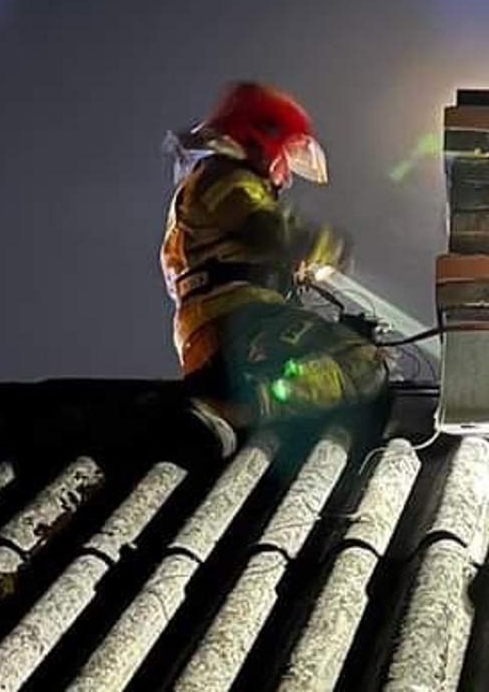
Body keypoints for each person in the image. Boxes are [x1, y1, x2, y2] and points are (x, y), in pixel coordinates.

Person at [160, 81, 387, 459]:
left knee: (318, 359)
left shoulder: (212, 182)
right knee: (361, 361)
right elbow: (268, 232)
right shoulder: (225, 178)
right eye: (286, 154)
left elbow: (247, 246)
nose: (287, 174)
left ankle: (244, 405)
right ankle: (233, 408)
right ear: (261, 139)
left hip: (224, 324)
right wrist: (329, 244)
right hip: (237, 320)